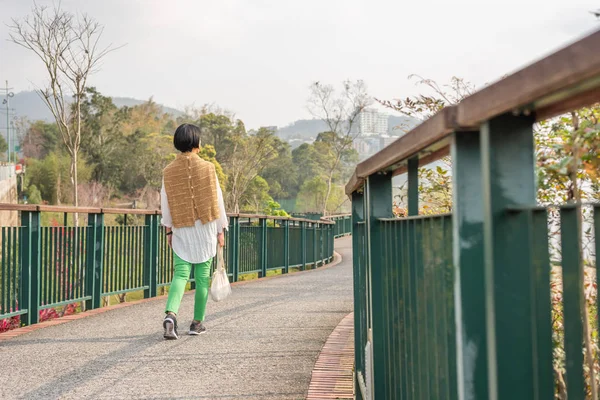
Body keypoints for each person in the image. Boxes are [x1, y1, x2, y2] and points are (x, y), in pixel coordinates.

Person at [160, 123, 228, 340]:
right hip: (206, 227)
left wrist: (169, 230)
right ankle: (197, 323)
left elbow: (166, 203)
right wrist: (220, 229)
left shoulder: (168, 171)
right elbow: (218, 201)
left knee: (180, 274)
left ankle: (171, 315)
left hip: (182, 226)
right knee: (202, 278)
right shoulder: (208, 168)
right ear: (197, 143)